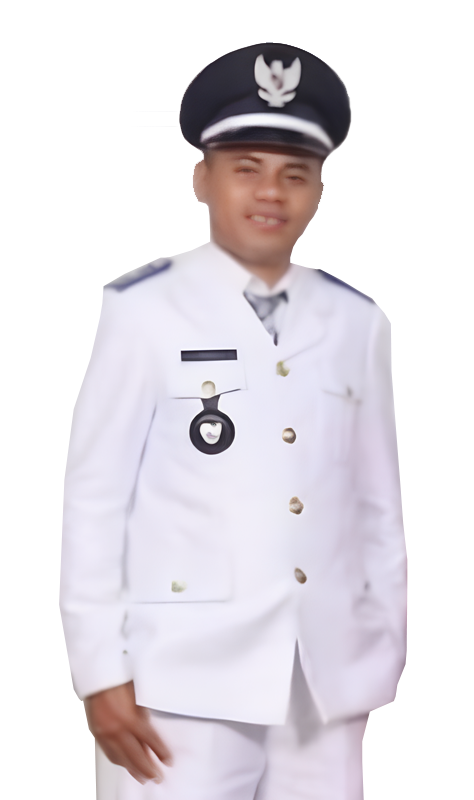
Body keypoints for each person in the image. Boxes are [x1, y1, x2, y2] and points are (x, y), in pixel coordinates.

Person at [60, 42, 407, 800]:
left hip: (325, 679)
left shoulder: (359, 321)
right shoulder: (144, 310)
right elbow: (96, 499)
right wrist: (99, 670)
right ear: (202, 179)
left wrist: (382, 646)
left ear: (320, 189)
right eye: (246, 168)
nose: (271, 192)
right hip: (178, 679)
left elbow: (378, 505)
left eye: (295, 173)